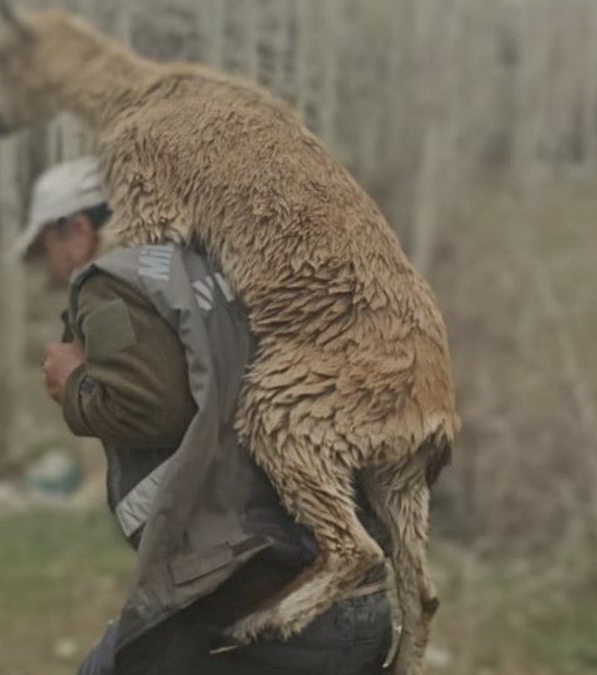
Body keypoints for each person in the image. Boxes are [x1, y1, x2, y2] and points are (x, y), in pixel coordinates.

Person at [23, 157, 396, 675]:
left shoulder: (108, 283)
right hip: (361, 600)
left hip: (271, 611)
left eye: (48, 245)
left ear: (79, 228)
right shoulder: (228, 263)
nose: (52, 264)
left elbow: (148, 404)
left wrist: (74, 385)